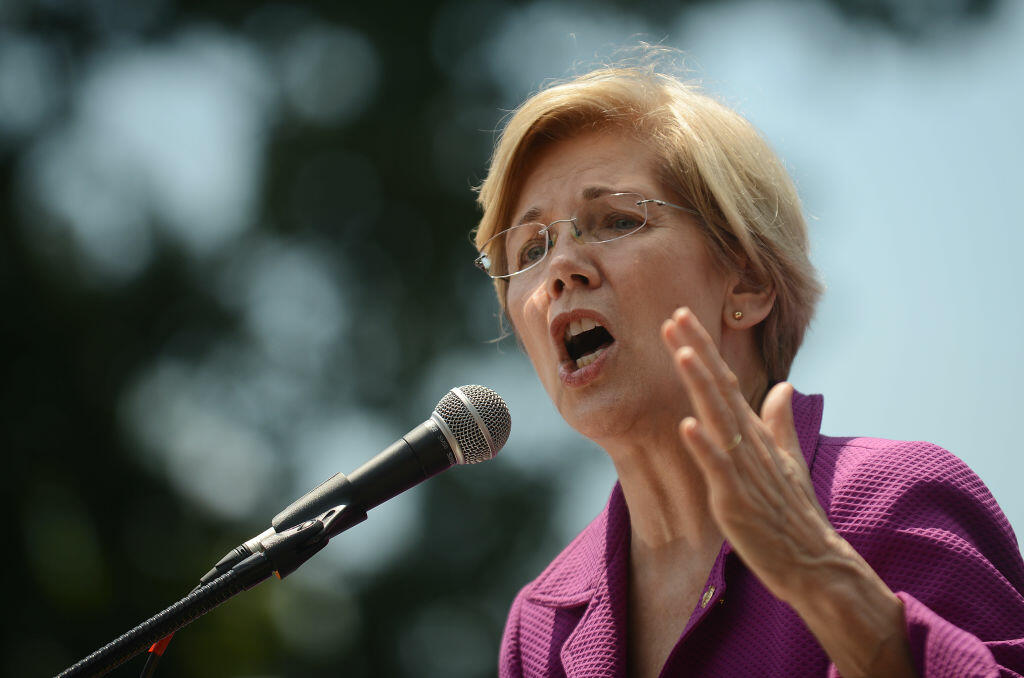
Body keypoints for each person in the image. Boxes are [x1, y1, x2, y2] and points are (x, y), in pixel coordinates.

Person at [471, 59, 1024, 677]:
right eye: (530, 250)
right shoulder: (542, 622)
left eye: (618, 220)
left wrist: (827, 585)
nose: (561, 269)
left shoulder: (892, 500)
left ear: (750, 283)